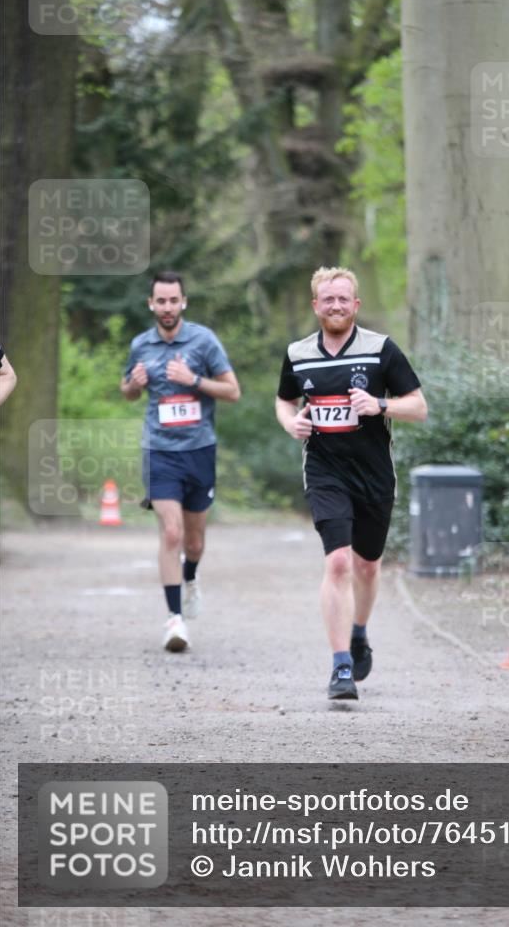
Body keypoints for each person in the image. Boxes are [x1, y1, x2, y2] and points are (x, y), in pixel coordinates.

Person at [275, 266, 427, 700]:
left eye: (344, 299)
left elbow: (419, 406)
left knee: (366, 565)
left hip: (375, 475)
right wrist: (291, 423)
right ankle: (341, 666)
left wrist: (380, 404)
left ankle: (359, 632)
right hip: (325, 471)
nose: (336, 305)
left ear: (355, 304)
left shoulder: (381, 350)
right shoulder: (298, 353)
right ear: (315, 306)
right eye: (328, 299)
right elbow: (284, 399)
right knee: (338, 563)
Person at [121, 272, 240, 652]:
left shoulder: (203, 341)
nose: (167, 307)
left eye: (174, 301)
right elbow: (127, 392)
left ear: (183, 302)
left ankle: (191, 576)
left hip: (199, 450)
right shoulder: (141, 345)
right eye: (161, 301)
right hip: (159, 451)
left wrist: (194, 380)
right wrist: (134, 385)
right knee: (170, 533)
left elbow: (233, 391)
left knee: (194, 540)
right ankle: (175, 620)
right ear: (150, 304)